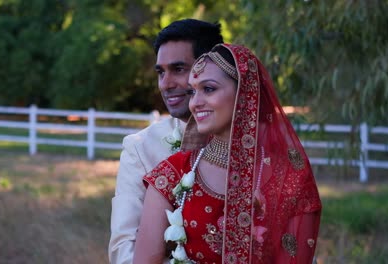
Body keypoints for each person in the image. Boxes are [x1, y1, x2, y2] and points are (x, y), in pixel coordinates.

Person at [134, 43, 322, 263]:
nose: (195, 103)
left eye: (209, 89)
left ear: (245, 93)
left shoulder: (288, 177)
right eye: (193, 91)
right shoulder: (172, 174)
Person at [108, 19, 224, 264]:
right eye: (161, 72)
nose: (166, 84)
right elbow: (124, 251)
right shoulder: (141, 147)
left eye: (179, 69)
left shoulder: (256, 148)